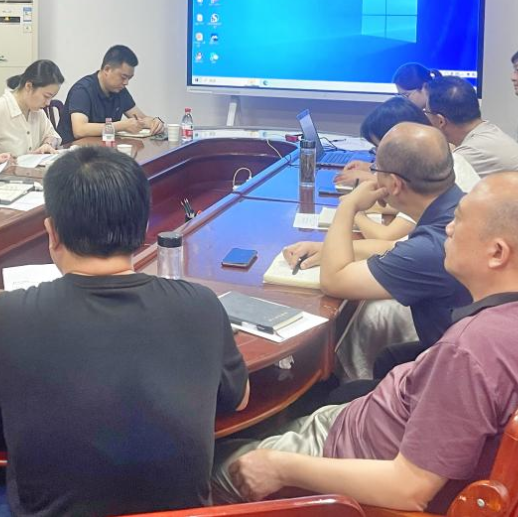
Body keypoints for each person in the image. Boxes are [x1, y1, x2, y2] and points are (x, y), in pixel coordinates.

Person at [0, 146, 249, 516]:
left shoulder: (9, 314)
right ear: (144, 228)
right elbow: (239, 398)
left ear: (52, 233)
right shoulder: (202, 304)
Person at [215, 172, 518, 514]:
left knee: (211, 469)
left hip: (348, 458)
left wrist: (278, 467)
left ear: (496, 252)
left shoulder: (469, 351)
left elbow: (410, 489)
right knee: (276, 423)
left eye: (459, 221)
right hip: (365, 422)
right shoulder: (498, 327)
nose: (448, 228)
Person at [284, 123, 472, 382]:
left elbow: (334, 281)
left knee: (338, 390)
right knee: (388, 358)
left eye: (375, 169)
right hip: (461, 351)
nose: (372, 175)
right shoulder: (458, 206)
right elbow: (397, 248)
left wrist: (349, 207)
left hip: (454, 376)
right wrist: (327, 248)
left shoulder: (432, 247)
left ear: (394, 183)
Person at [334, 96, 479, 242]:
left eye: (379, 148)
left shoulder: (427, 176)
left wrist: (350, 209)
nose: (377, 157)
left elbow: (386, 238)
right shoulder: (439, 160)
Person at [56, 44, 165, 145]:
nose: (126, 83)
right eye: (123, 77)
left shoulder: (119, 90)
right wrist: (121, 126)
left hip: (103, 149)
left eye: (129, 78)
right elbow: (80, 130)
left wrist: (154, 122)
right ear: (107, 69)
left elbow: (140, 118)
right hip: (73, 151)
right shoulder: (82, 90)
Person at [0, 59, 64, 160]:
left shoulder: (37, 112)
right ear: (28, 86)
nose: (48, 103)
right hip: (0, 171)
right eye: (46, 96)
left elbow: (51, 135)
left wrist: (48, 144)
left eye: (51, 98)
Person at [425, 74, 518, 177]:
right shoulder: (486, 132)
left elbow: (429, 183)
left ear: (441, 121)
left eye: (426, 111)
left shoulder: (473, 152)